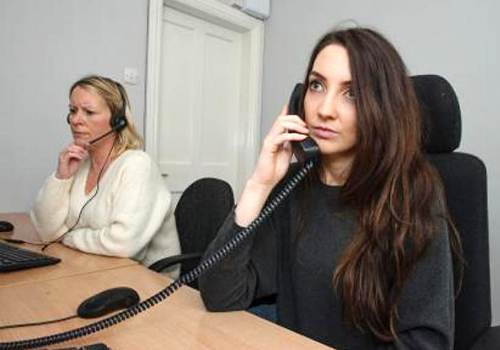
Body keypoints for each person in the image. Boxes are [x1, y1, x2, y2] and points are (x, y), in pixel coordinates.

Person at [198, 27, 463, 349]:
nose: (325, 109)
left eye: (351, 93)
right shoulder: (291, 186)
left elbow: (426, 342)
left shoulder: (412, 195)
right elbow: (220, 295)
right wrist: (259, 185)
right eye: (317, 85)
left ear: (383, 107)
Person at [30, 75, 181, 278]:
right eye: (72, 111)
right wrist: (61, 177)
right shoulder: (80, 163)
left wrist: (68, 238)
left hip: (147, 284)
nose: (75, 120)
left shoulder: (137, 165)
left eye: (89, 112)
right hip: (93, 270)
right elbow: (46, 232)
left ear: (117, 121)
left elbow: (123, 244)